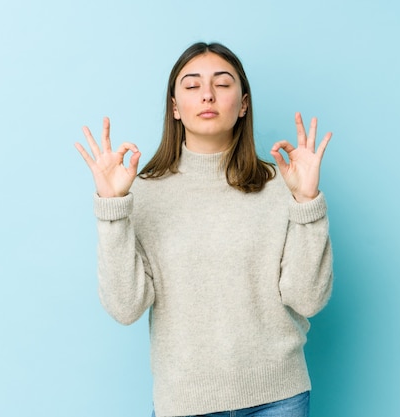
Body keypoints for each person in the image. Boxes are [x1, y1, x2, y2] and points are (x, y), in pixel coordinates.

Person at [74, 42, 333, 417]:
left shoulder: (284, 184)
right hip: (185, 403)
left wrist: (307, 202)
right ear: (175, 107)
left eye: (222, 84)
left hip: (279, 398)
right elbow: (125, 307)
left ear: (244, 103)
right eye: (192, 85)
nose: (207, 94)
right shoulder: (141, 192)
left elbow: (308, 299)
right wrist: (112, 210)